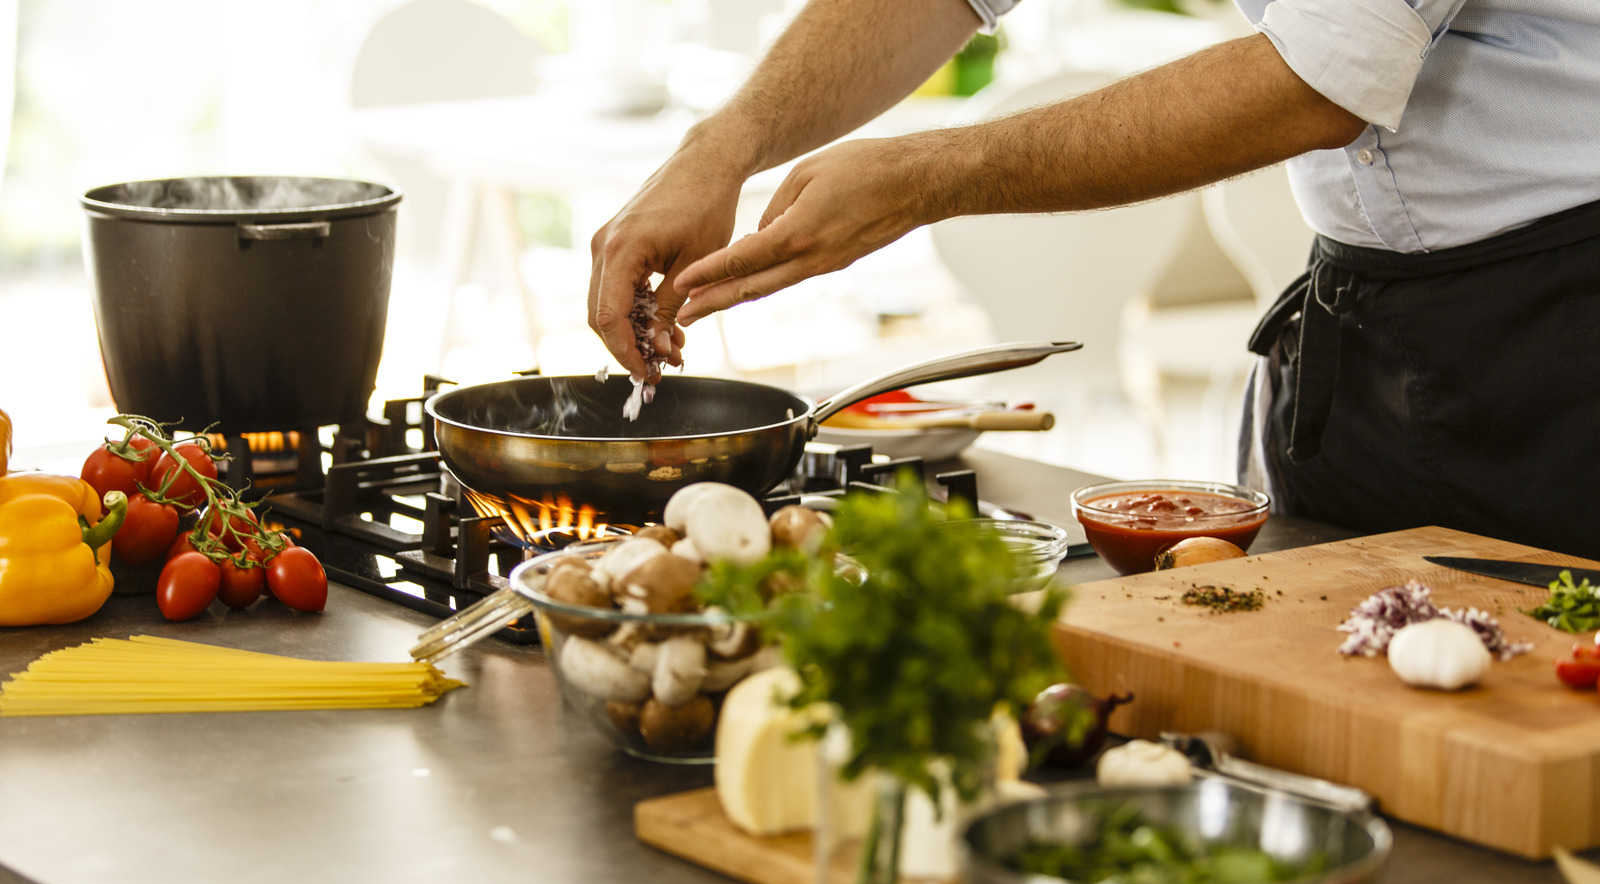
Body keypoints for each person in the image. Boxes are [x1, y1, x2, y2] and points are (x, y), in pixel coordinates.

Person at [587, 0, 1600, 557]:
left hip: (1564, 330)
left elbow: (1317, 80)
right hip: (1364, 320)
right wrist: (722, 146)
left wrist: (926, 174)